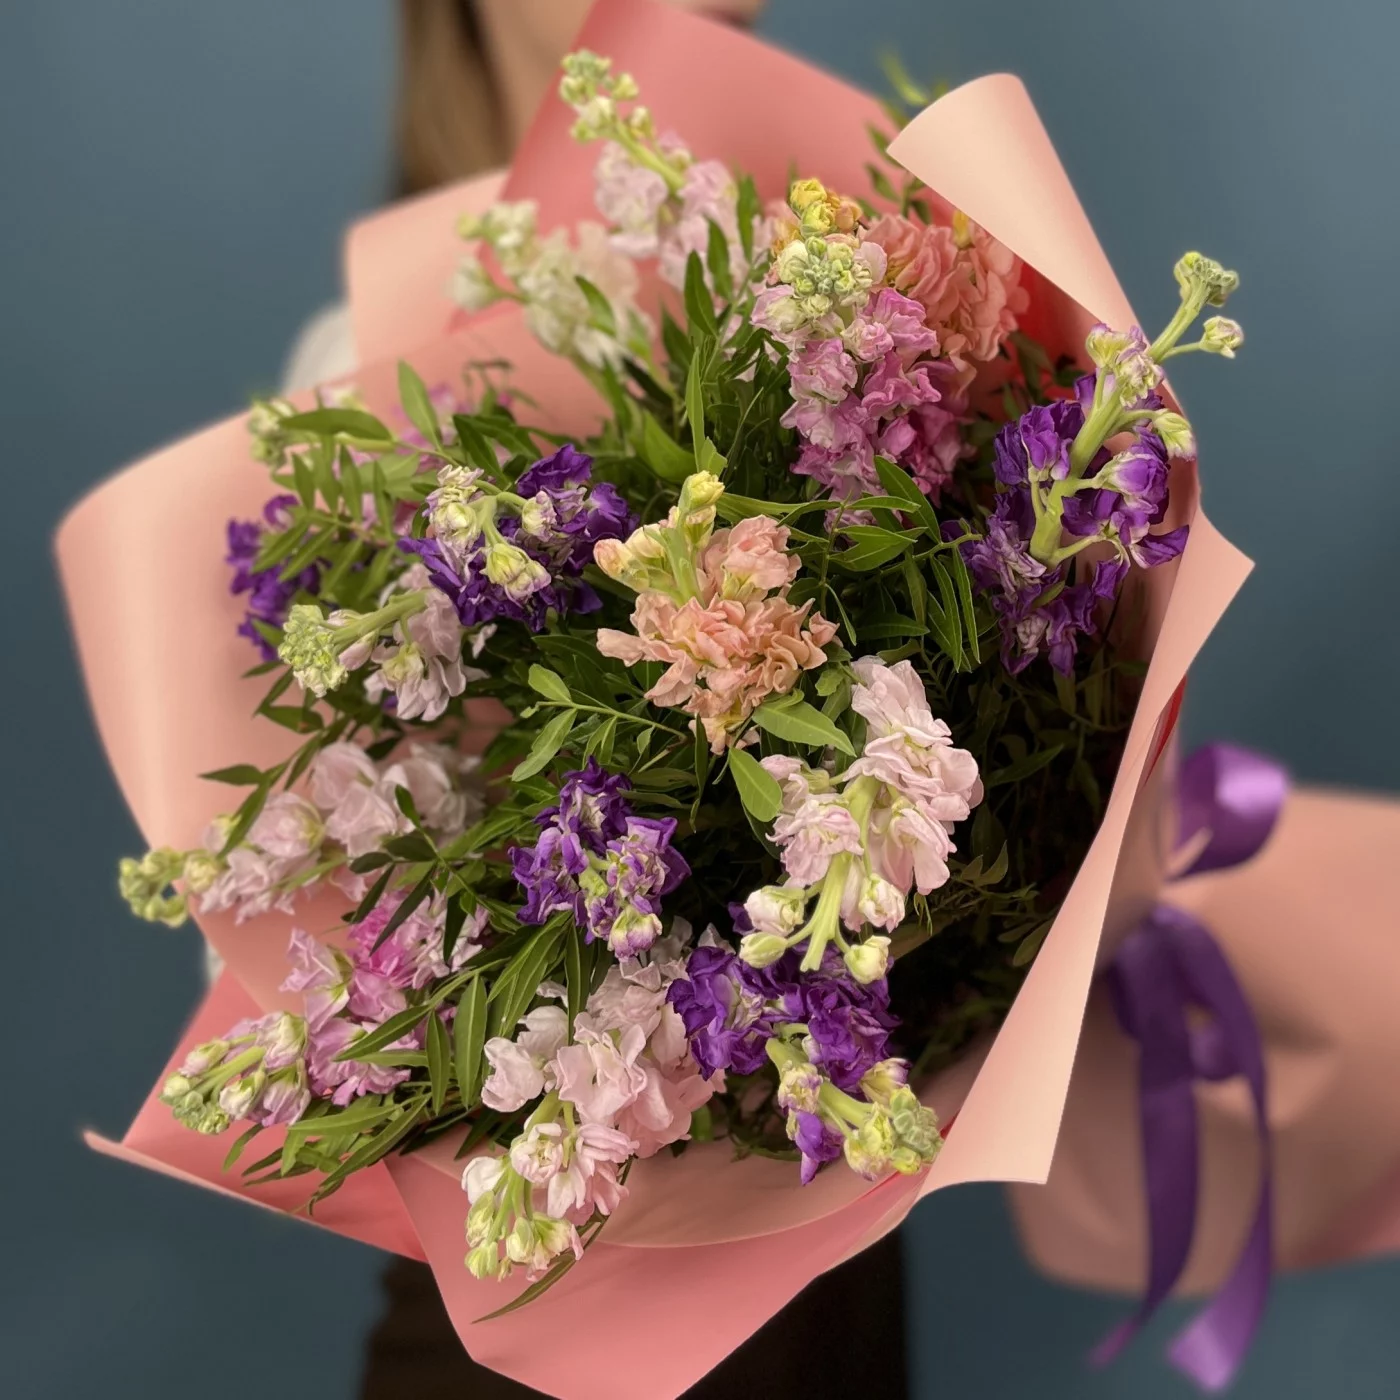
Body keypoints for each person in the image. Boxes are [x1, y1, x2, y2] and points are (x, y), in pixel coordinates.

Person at [275, 5, 909, 1395]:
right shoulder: (363, 358)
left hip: (819, 1241)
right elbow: (298, 926)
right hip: (521, 1265)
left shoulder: (841, 280)